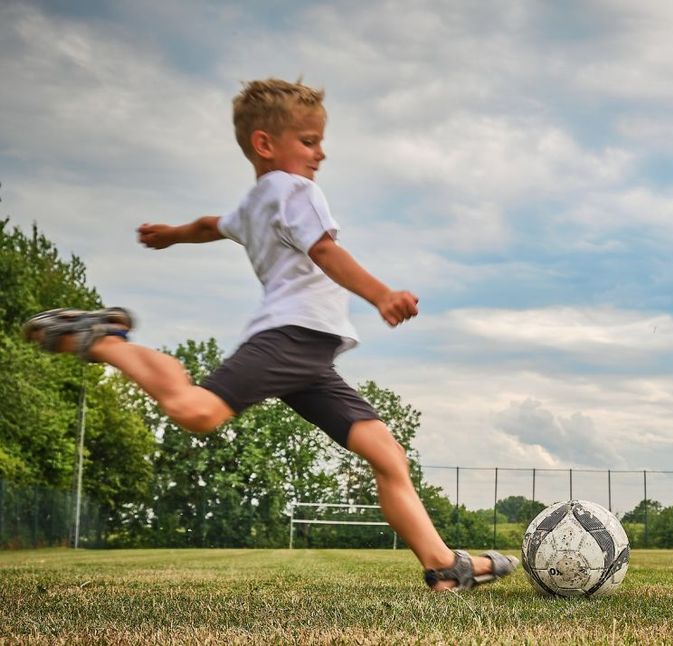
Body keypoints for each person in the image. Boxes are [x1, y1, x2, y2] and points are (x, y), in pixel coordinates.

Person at [22, 78, 516, 591]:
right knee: (197, 410)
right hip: (290, 338)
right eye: (308, 141)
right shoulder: (294, 190)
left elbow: (212, 224)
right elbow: (325, 251)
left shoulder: (257, 201)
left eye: (320, 141)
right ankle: (102, 339)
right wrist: (381, 295)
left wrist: (171, 235)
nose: (320, 153)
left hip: (310, 356)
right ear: (265, 144)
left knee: (386, 453)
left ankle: (444, 568)